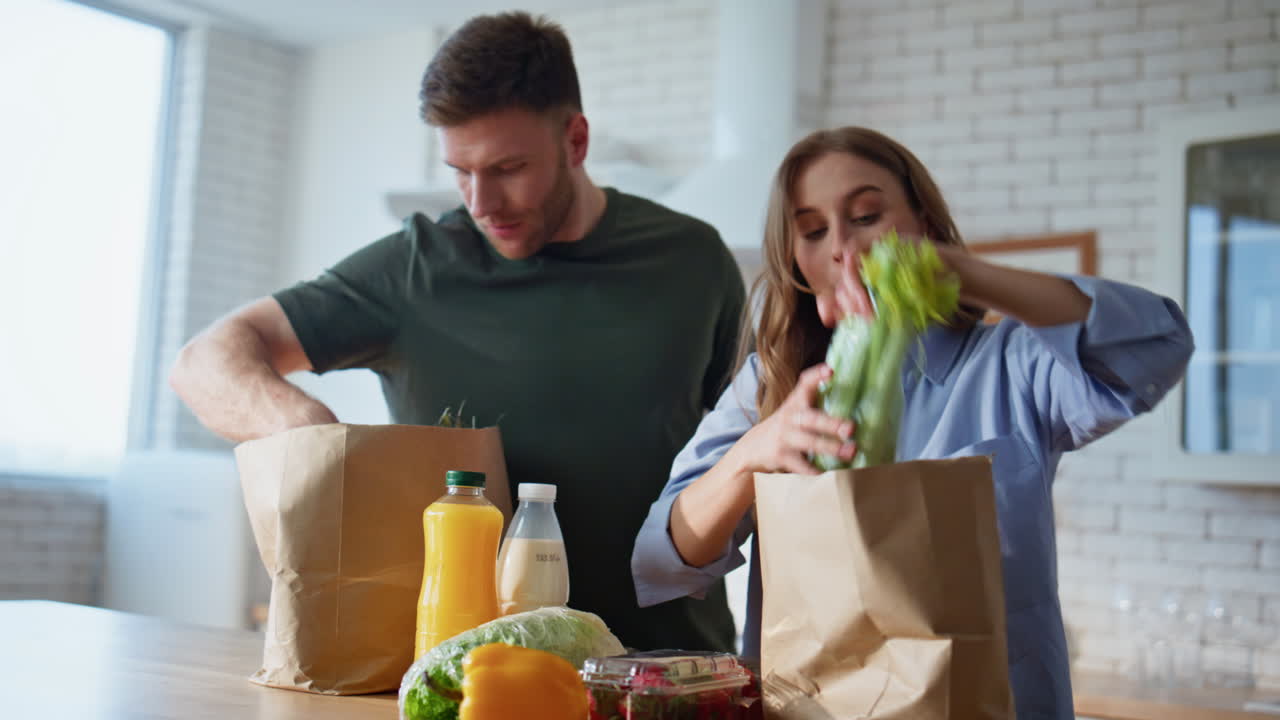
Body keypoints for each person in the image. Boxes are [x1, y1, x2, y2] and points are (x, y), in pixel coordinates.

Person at [169, 12, 745, 653]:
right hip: (464, 677)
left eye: (507, 167)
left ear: (576, 141)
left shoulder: (694, 262)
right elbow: (203, 361)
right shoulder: (413, 268)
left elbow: (737, 451)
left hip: (669, 673)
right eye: (459, 171)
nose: (480, 201)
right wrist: (306, 431)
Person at [630, 126, 1193, 718]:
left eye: (867, 215)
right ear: (796, 259)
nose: (845, 248)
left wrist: (963, 272)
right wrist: (753, 451)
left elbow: (1156, 347)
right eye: (815, 231)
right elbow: (661, 561)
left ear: (922, 221)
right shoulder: (770, 387)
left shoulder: (1011, 366)